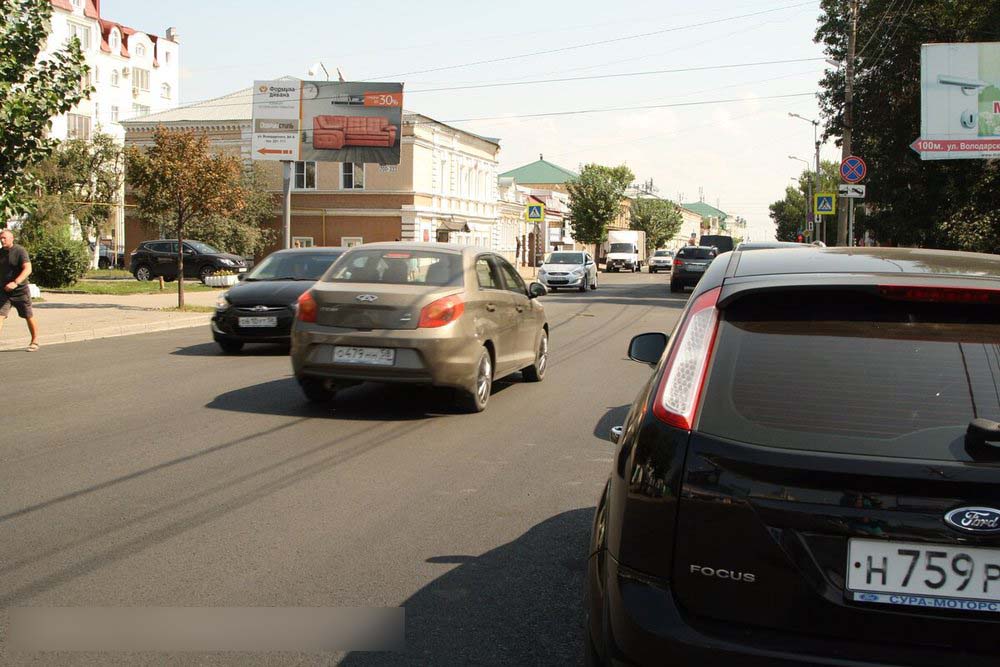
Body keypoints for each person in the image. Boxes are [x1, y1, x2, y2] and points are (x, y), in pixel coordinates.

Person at [0, 229, 39, 351]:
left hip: (20, 290)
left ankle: (34, 341)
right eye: (1, 238)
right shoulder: (0, 253)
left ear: (12, 238)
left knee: (28, 315)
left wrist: (16, 283)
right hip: (4, 291)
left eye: (4, 238)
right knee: (0, 315)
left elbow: (28, 269)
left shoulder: (20, 251)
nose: (2, 240)